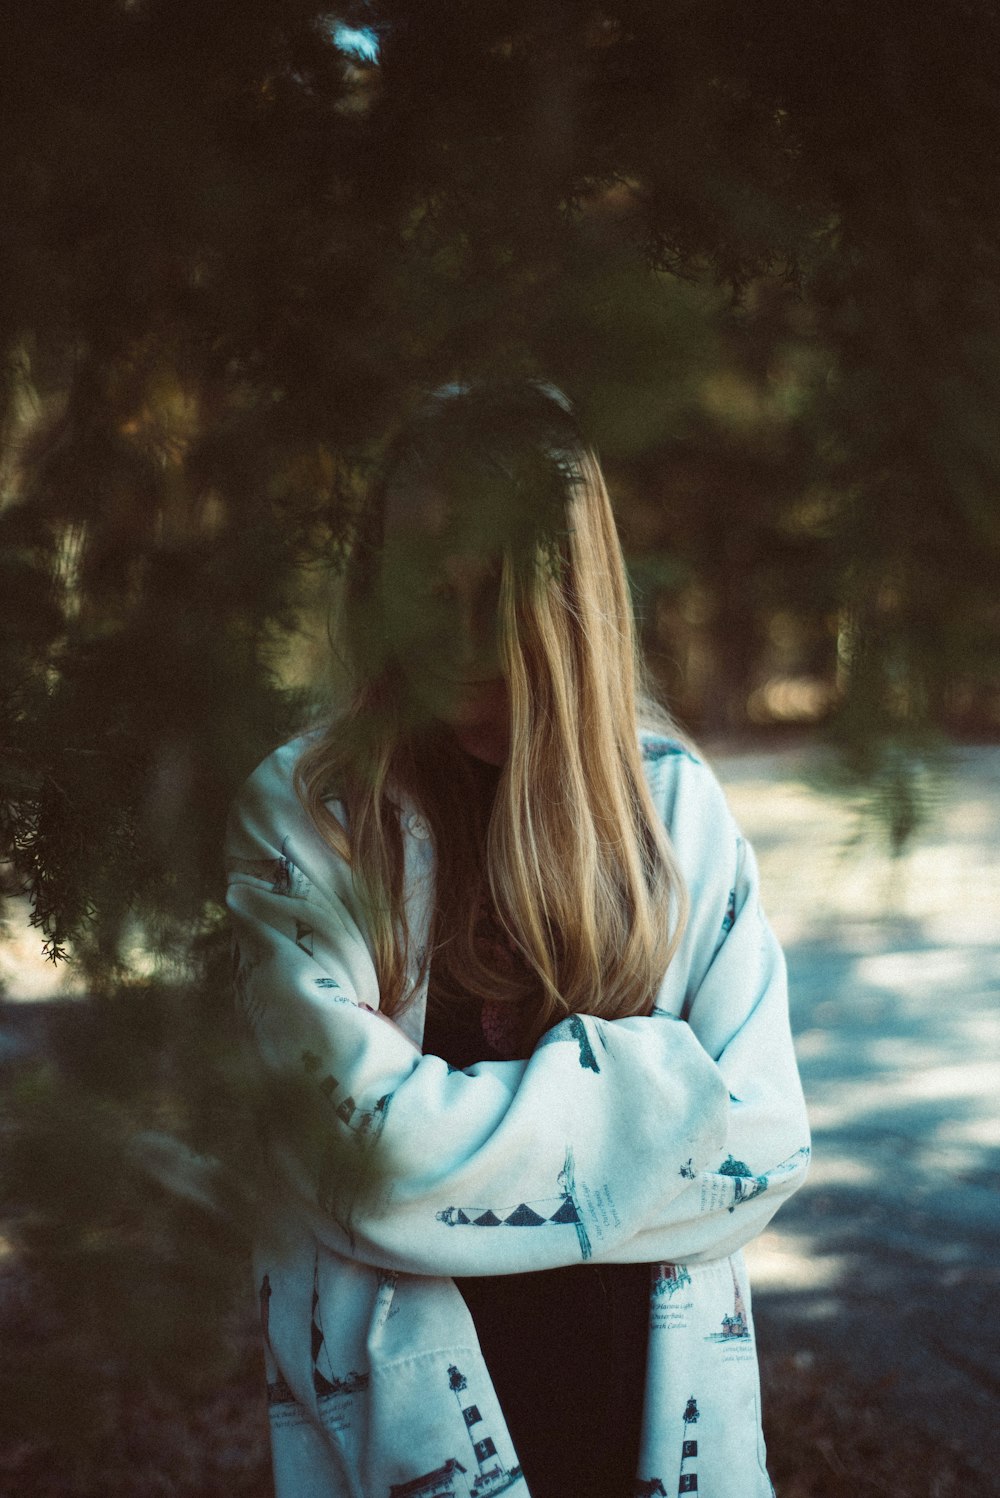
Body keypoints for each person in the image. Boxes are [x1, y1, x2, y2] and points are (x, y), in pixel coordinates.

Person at [225, 381, 810, 1498]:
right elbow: (366, 1164)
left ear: (569, 597)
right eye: (419, 586)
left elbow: (769, 1141)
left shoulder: (673, 809)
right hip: (413, 1432)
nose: (453, 636)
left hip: (651, 1409)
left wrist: (457, 1138)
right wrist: (648, 1095)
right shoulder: (307, 815)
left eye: (491, 590)